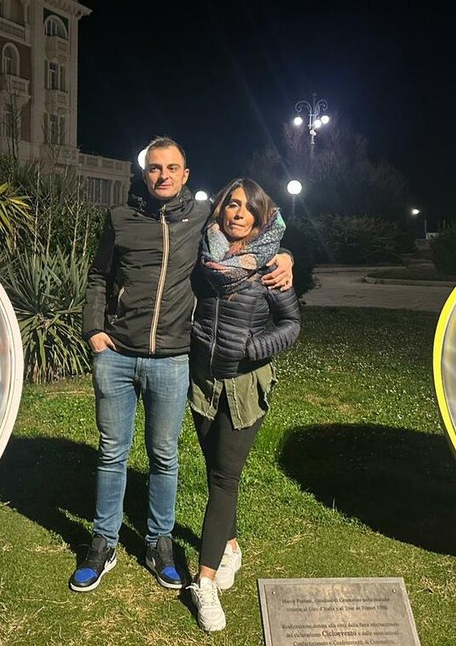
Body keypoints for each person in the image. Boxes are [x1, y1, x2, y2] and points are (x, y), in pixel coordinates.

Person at [70, 137, 293, 594]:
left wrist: (287, 257)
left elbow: (261, 229)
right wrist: (94, 329)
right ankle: (104, 541)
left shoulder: (202, 221)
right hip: (117, 355)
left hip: (173, 359)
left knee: (164, 456)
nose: (163, 175)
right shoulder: (120, 218)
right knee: (112, 452)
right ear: (145, 172)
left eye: (172, 168)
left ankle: (159, 543)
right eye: (155, 168)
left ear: (185, 175)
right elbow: (98, 276)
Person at [185, 178, 300, 632]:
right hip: (203, 381)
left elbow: (291, 324)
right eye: (231, 205)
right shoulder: (205, 257)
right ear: (221, 209)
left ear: (260, 216)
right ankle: (230, 546)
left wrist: (252, 348)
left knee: (223, 479)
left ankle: (205, 583)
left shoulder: (270, 265)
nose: (237, 213)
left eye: (247, 208)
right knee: (214, 467)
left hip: (244, 386)